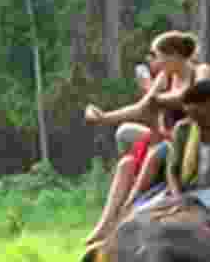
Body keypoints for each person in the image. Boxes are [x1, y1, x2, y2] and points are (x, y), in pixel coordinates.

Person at [84, 31, 201, 243]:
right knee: (125, 160)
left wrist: (156, 97)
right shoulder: (166, 77)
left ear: (174, 55)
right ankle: (104, 225)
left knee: (156, 154)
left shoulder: (200, 71)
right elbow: (141, 108)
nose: (155, 62)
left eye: (158, 56)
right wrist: (104, 117)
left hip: (191, 139)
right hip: (167, 137)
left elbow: (193, 96)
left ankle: (127, 209)